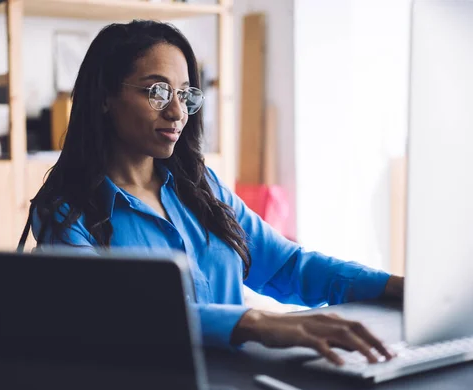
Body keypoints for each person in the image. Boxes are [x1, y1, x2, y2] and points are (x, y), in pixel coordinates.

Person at [23, 19, 404, 366]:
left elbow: (288, 266)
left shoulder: (202, 188)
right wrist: (253, 322)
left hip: (241, 383)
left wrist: (392, 287)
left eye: (185, 94)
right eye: (157, 91)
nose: (177, 112)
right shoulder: (66, 214)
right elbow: (115, 313)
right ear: (105, 96)